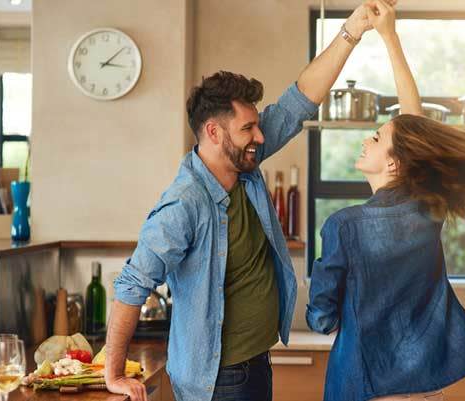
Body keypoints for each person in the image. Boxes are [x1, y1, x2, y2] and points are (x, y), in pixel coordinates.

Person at [103, 3, 396, 401]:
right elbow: (132, 284)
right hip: (221, 381)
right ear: (213, 131)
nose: (260, 136)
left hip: (253, 364)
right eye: (248, 128)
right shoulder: (185, 204)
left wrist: (354, 28)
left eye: (257, 125)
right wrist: (114, 373)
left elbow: (299, 102)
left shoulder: (244, 166)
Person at [306, 1, 465, 401]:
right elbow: (412, 123)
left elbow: (321, 319)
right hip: (426, 391)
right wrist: (390, 36)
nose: (366, 139)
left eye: (376, 137)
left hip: (364, 388)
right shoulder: (428, 210)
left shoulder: (343, 226)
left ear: (393, 163)